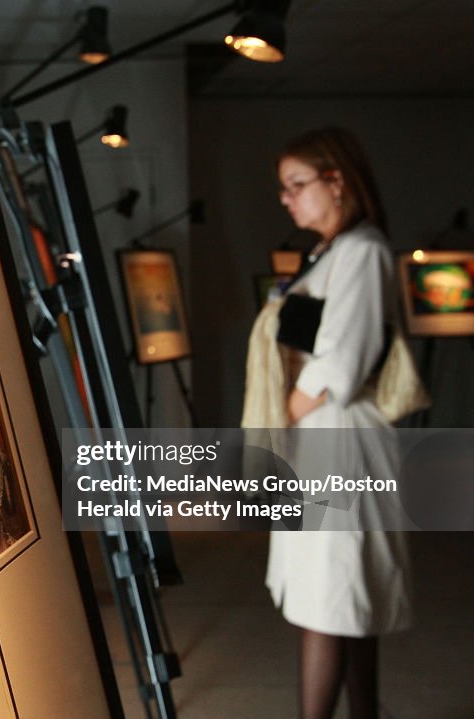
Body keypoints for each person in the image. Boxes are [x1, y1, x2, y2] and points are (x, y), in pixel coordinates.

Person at [242, 127, 412, 719]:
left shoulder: (362, 251)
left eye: (297, 185)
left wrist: (274, 427)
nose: (286, 199)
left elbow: (339, 362)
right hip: (324, 442)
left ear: (336, 181)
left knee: (329, 602)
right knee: (343, 603)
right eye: (282, 188)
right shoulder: (331, 252)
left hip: (339, 442)